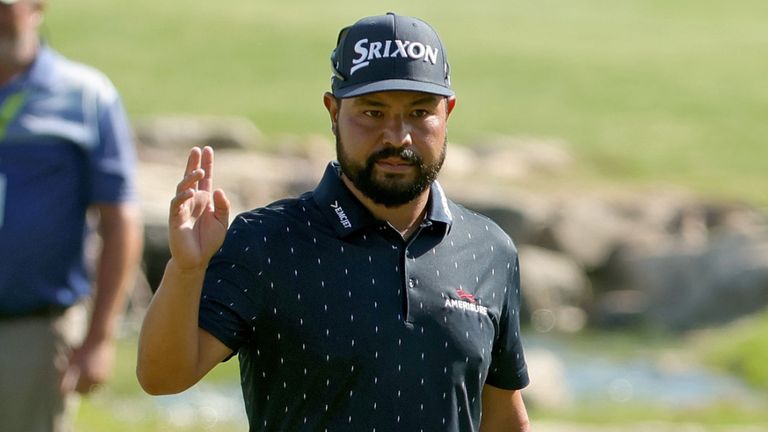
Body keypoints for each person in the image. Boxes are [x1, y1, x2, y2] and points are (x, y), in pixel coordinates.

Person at [137, 12, 530, 431]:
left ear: (447, 112)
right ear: (333, 111)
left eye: (418, 112)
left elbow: (505, 418)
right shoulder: (267, 241)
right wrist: (186, 271)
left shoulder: (489, 249)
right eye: (373, 113)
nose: (397, 137)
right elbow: (163, 377)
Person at [0, 0, 144, 431]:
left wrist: (99, 338)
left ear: (37, 6)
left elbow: (120, 220)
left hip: (33, 335)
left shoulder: (84, 95)